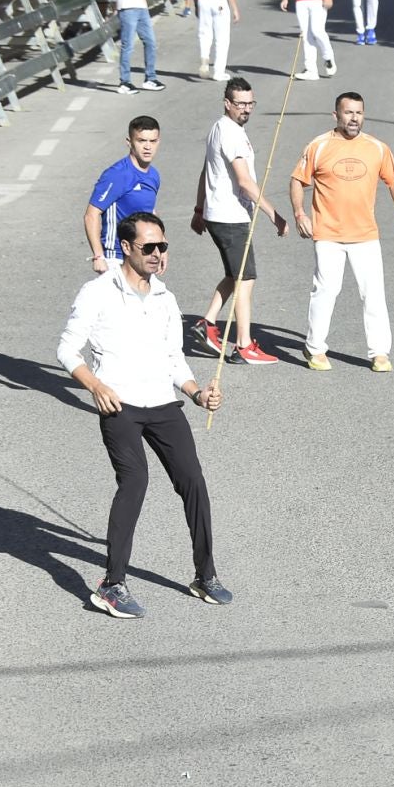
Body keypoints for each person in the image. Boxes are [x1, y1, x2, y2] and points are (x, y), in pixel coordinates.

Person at [57, 211, 232, 619]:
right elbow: (67, 350)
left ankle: (205, 576)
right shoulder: (98, 292)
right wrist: (96, 387)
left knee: (193, 482)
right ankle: (111, 585)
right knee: (135, 481)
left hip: (163, 404)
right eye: (148, 247)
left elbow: (174, 359)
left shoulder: (165, 299)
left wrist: (196, 393)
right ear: (126, 247)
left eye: (163, 246)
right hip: (119, 404)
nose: (157, 254)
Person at [290, 92, 394, 373]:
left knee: (374, 294)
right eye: (348, 112)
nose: (354, 118)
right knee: (326, 291)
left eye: (358, 112)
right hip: (328, 233)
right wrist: (299, 213)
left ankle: (379, 353)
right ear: (336, 116)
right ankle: (315, 349)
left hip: (365, 235)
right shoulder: (319, 146)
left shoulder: (377, 148)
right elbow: (297, 180)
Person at [190, 77, 287, 364]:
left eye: (250, 103)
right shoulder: (230, 133)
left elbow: (206, 171)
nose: (246, 109)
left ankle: (207, 323)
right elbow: (244, 182)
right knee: (246, 279)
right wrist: (275, 215)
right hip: (230, 217)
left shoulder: (220, 128)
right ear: (227, 103)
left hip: (219, 214)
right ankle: (243, 346)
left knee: (235, 274)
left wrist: (199, 209)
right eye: (240, 104)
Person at [84, 116, 162, 274]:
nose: (148, 147)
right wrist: (99, 256)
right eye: (141, 141)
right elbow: (91, 215)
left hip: (142, 256)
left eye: (152, 141)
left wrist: (160, 247)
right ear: (129, 142)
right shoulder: (117, 175)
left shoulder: (153, 175)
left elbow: (150, 214)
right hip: (116, 258)